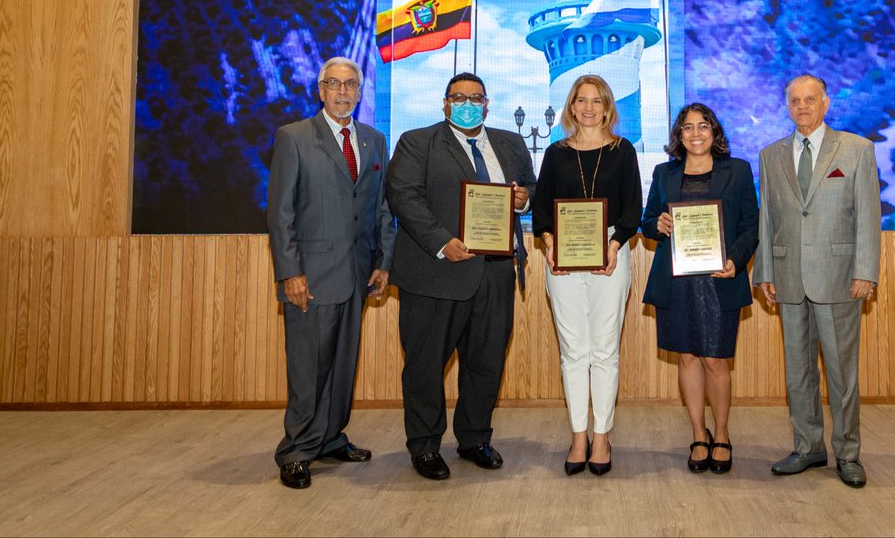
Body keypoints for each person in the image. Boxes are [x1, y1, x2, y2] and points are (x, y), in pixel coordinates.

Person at [386, 72, 536, 481]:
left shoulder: (510, 143)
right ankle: (425, 445)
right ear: (445, 103)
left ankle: (474, 438)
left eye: (476, 97)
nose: (467, 103)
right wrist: (442, 242)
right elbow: (403, 196)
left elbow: (531, 189)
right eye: (459, 97)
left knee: (486, 362)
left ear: (487, 104)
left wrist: (523, 200)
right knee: (425, 364)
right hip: (437, 271)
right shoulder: (418, 142)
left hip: (496, 272)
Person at [266, 56, 396, 490]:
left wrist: (384, 264)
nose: (344, 92)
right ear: (320, 90)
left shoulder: (375, 141)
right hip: (311, 278)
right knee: (308, 367)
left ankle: (329, 438)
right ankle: (296, 450)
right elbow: (280, 213)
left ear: (360, 92)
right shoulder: (295, 138)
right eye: (335, 84)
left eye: (351, 85)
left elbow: (381, 209)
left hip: (359, 275)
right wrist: (289, 273)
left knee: (342, 366)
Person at [752, 74, 881, 488]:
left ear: (825, 103)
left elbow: (868, 217)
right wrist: (766, 272)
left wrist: (865, 271)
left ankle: (847, 452)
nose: (802, 107)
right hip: (788, 278)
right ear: (787, 106)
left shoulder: (857, 150)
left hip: (840, 278)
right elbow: (767, 218)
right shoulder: (770, 155)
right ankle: (808, 447)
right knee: (798, 372)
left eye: (810, 99)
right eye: (795, 101)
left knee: (842, 373)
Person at [532, 74, 642, 476]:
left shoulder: (623, 150)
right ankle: (578, 434)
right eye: (582, 100)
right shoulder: (556, 152)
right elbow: (542, 210)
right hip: (561, 254)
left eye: (597, 100)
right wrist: (548, 242)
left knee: (605, 349)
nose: (589, 107)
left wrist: (614, 245)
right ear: (571, 106)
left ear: (608, 106)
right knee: (573, 350)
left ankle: (602, 435)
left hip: (611, 251)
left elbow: (633, 209)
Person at [640, 103, 758, 474]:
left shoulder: (738, 171)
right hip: (676, 282)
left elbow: (751, 226)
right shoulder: (663, 173)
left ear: (714, 132)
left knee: (715, 360)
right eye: (687, 127)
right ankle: (698, 434)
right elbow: (646, 222)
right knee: (688, 358)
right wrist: (657, 223)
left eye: (703, 126)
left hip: (720, 280)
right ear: (679, 135)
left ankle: (721, 433)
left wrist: (735, 261)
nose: (695, 133)